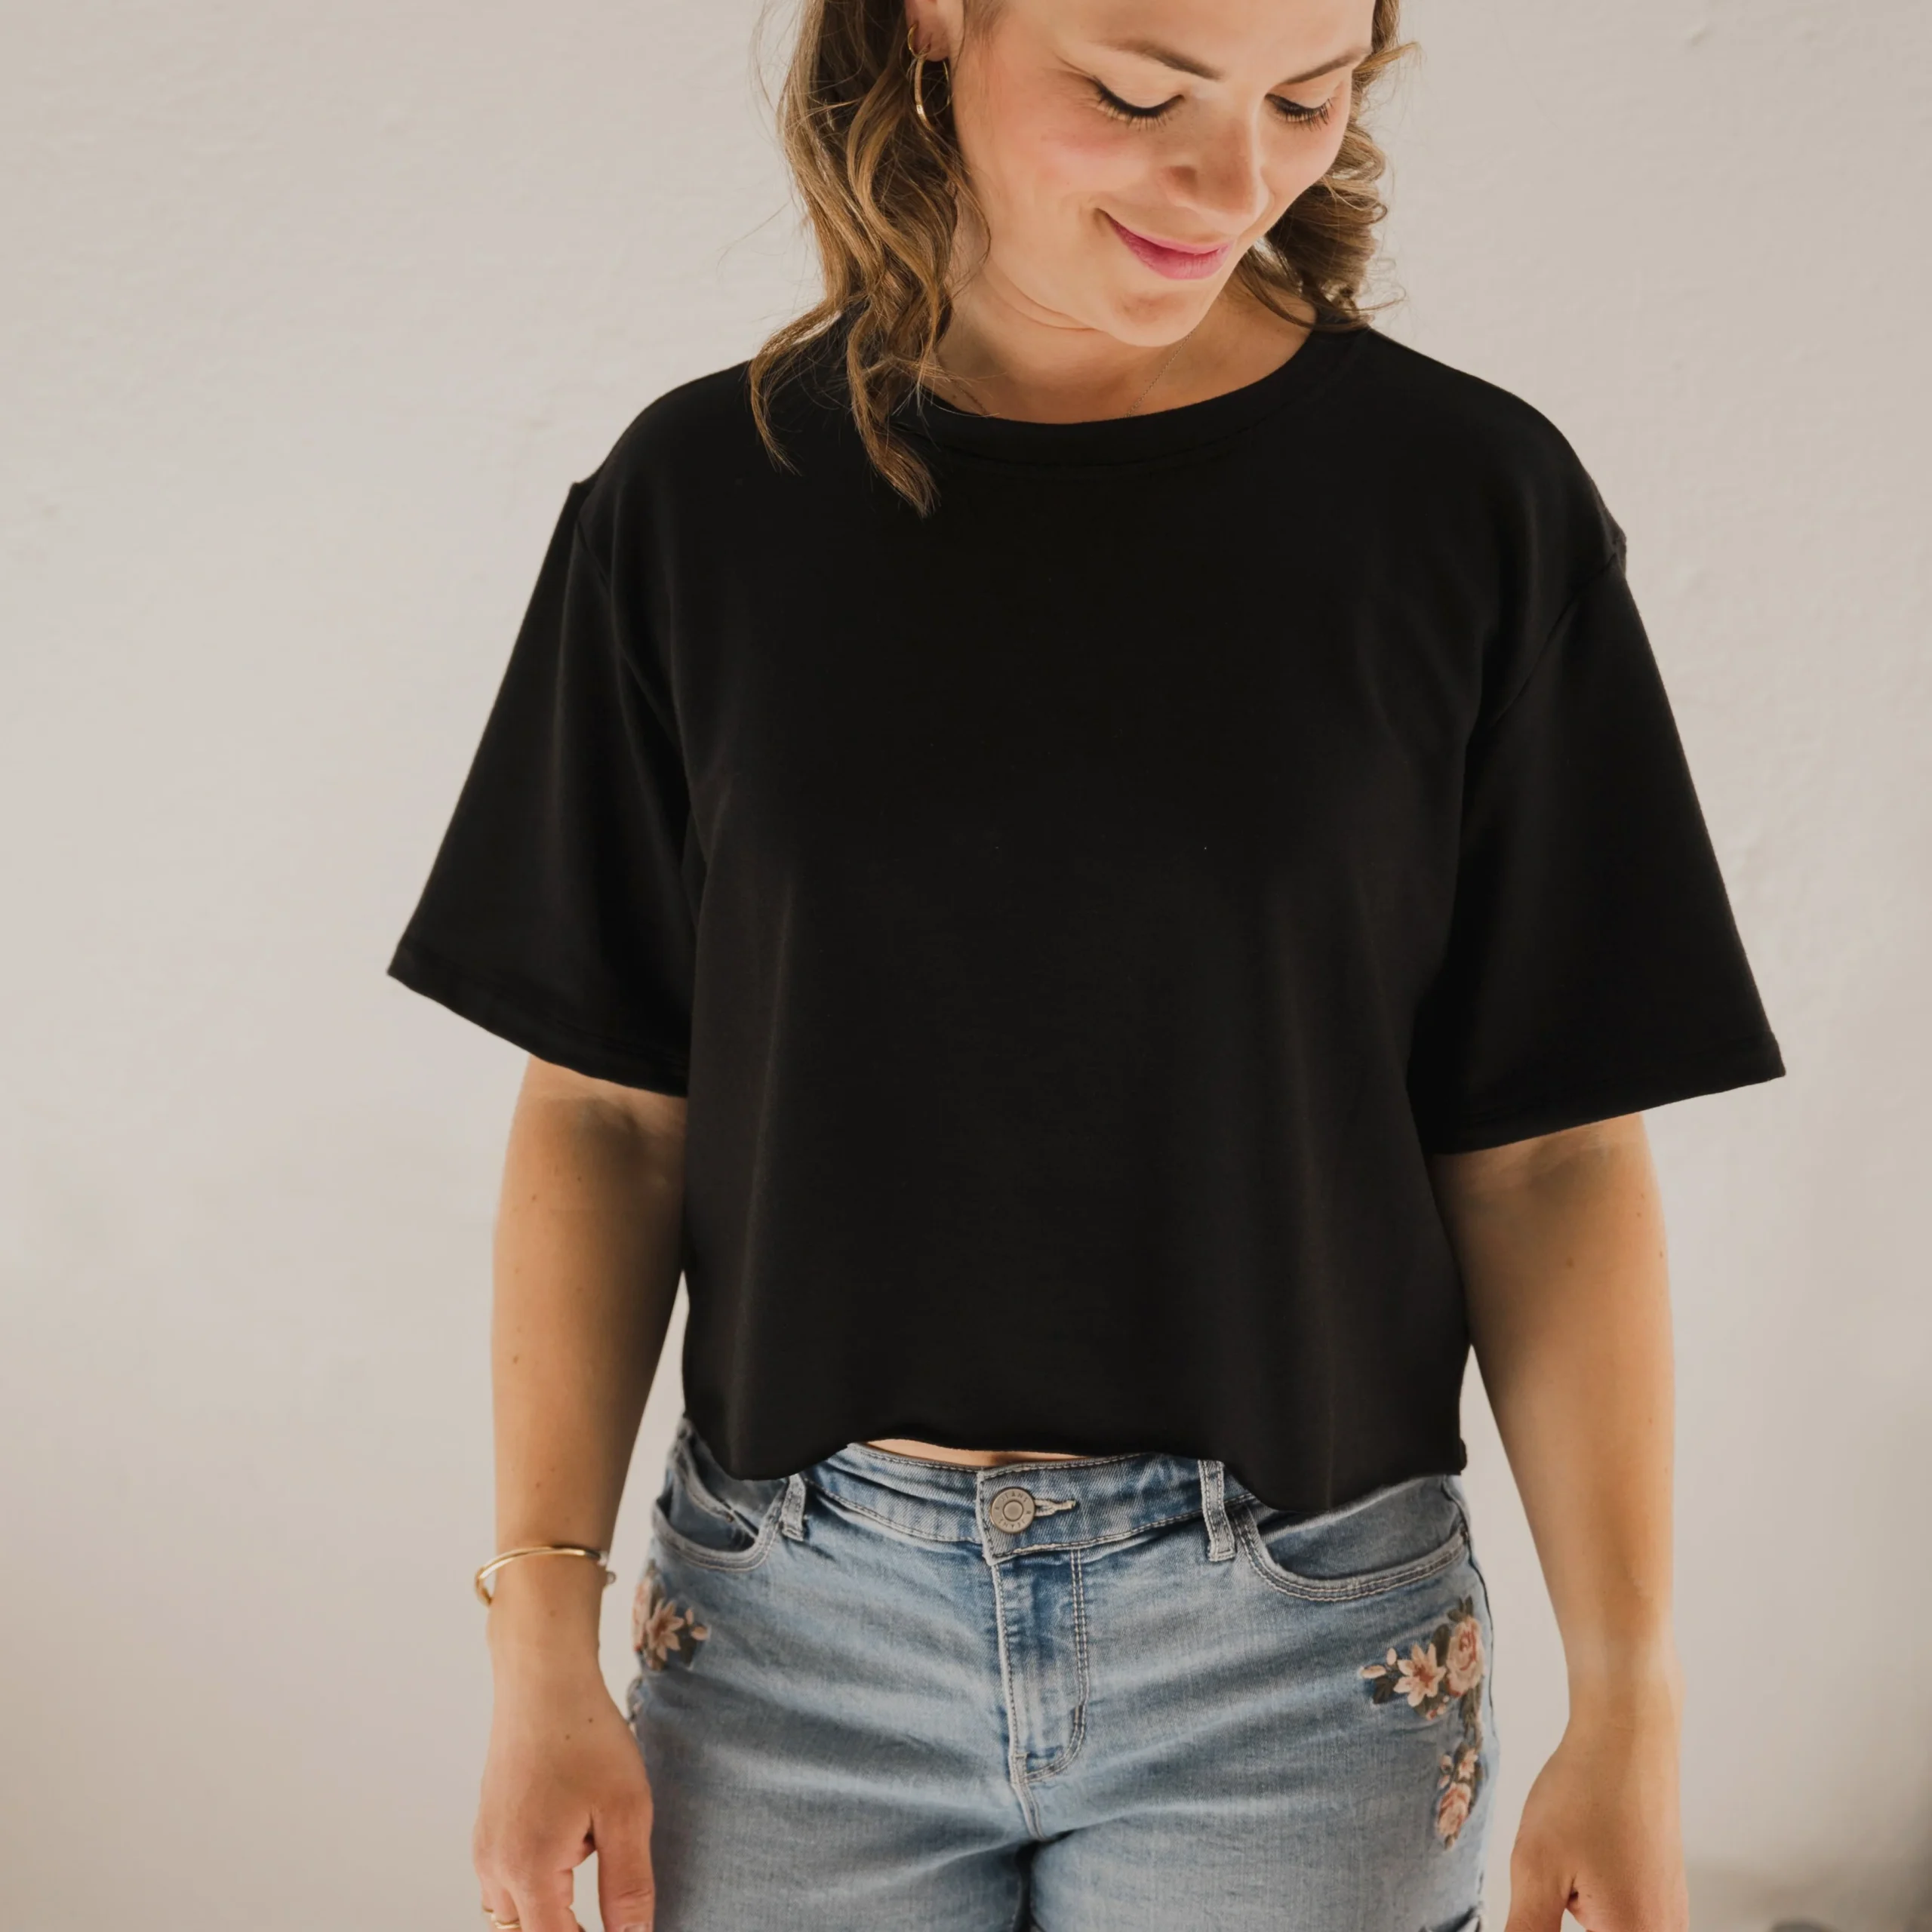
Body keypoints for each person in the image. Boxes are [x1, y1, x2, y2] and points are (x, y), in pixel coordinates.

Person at [386, 0, 1784, 1926]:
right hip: (789, 1639)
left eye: (1306, 100)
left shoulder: (1465, 501)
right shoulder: (701, 498)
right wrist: (538, 1637)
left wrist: (1629, 1699)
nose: (1233, 181)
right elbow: (612, 1115)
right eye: (1139, 93)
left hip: (1300, 1655)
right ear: (934, 22)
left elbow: (1543, 1153)